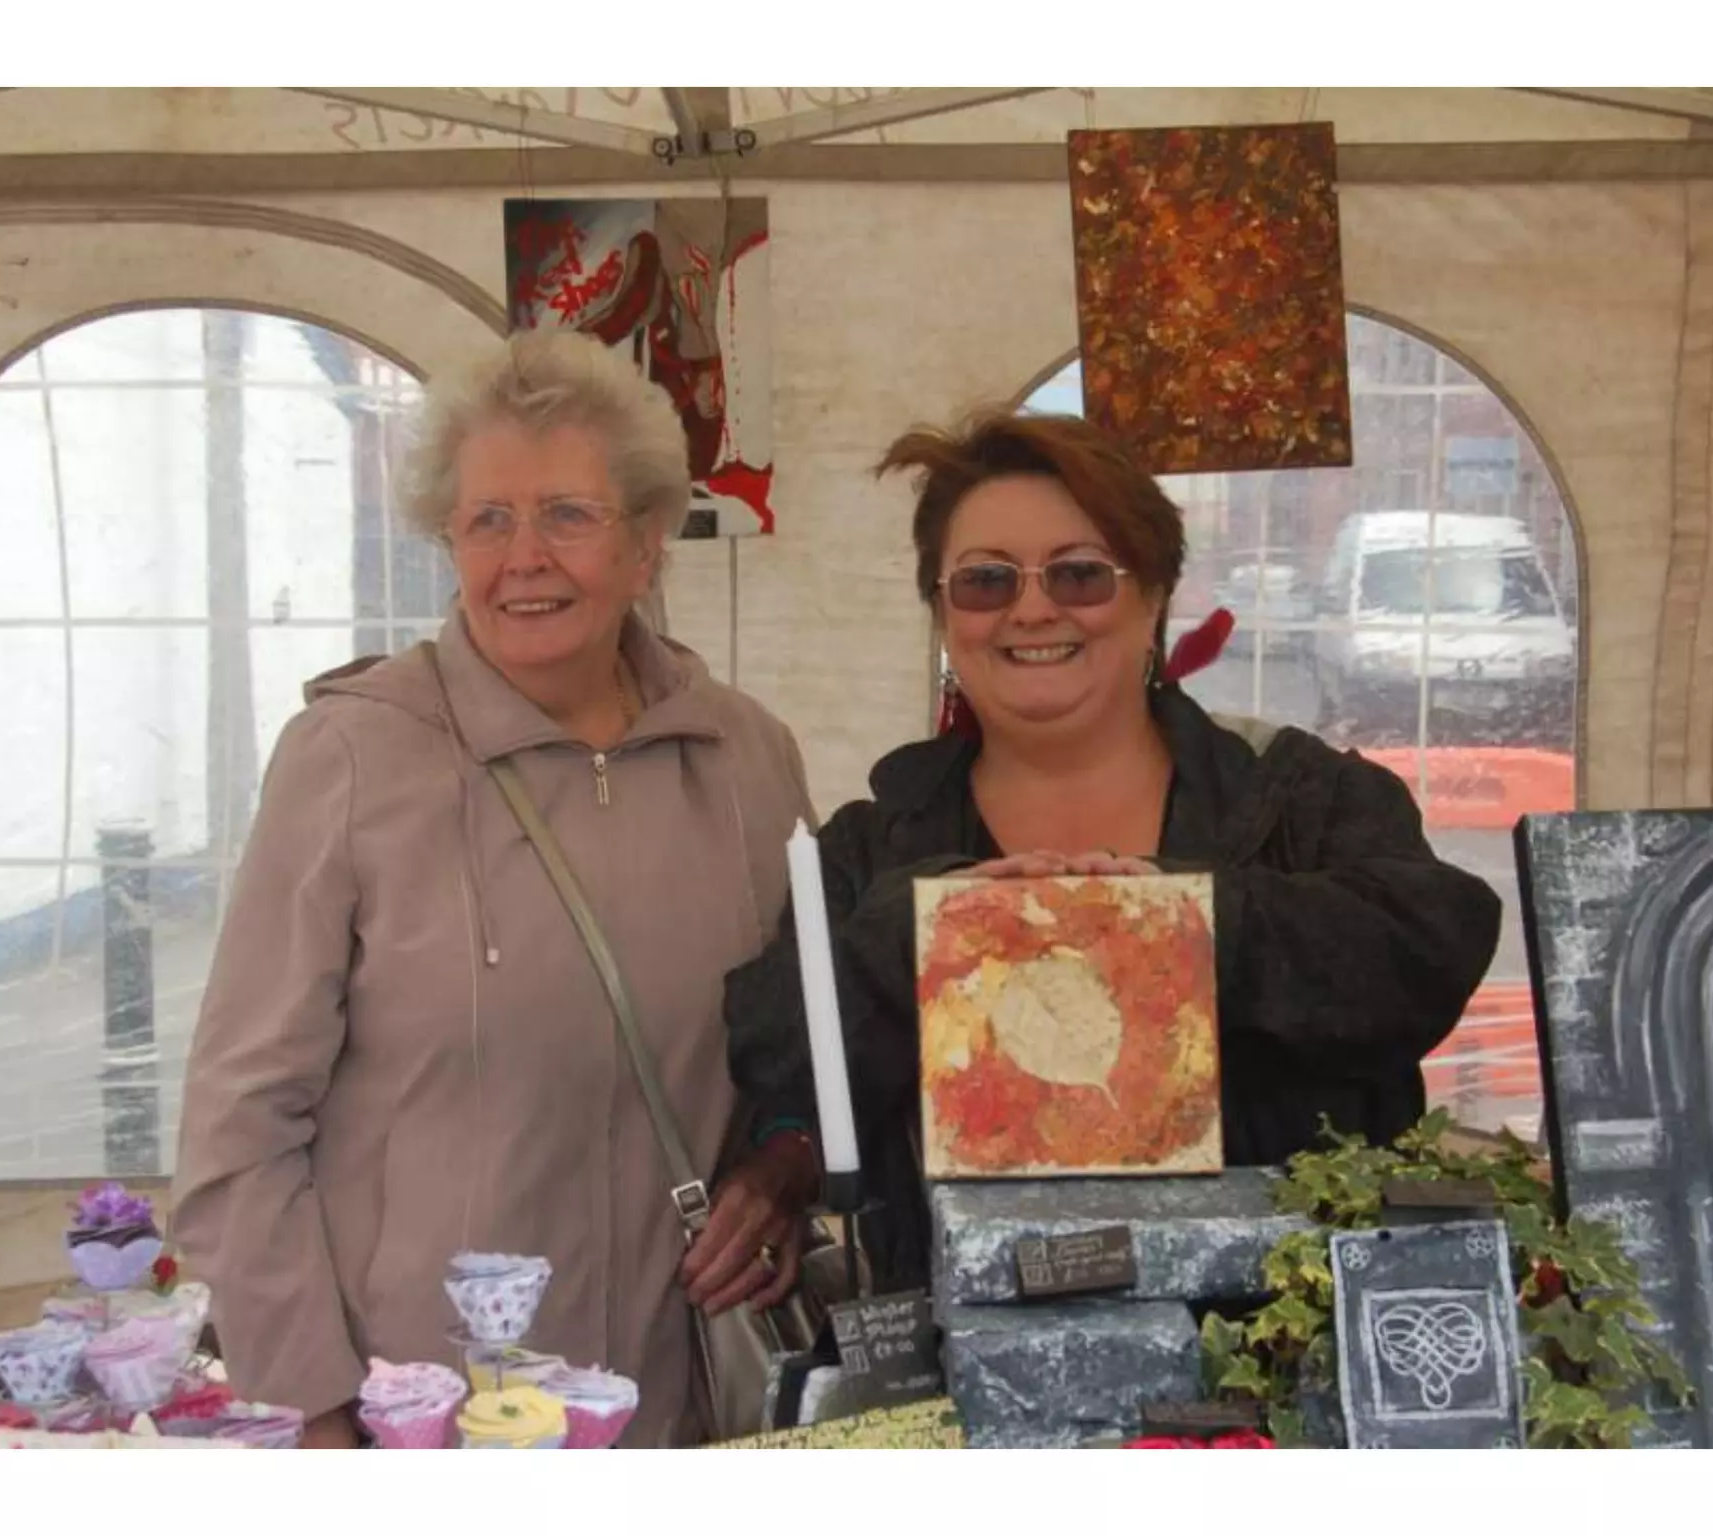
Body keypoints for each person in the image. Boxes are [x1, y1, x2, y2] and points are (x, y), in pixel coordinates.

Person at [174, 330, 817, 1448]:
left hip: (677, 1409)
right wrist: (315, 1410)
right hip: (421, 1420)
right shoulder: (352, 759)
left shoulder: (746, 758)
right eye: (486, 520)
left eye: (567, 514)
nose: (525, 557)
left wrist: (784, 1173)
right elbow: (239, 1127)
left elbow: (803, 1050)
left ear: (646, 545)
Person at [706, 410, 1504, 1298]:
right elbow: (779, 1060)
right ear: (943, 612)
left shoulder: (1296, 801)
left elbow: (1436, 943)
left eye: (1079, 573)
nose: (1032, 608)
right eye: (985, 581)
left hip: (1283, 1344)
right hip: (969, 1346)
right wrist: (922, 935)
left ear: (1154, 594)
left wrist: (1187, 922)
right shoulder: (872, 847)